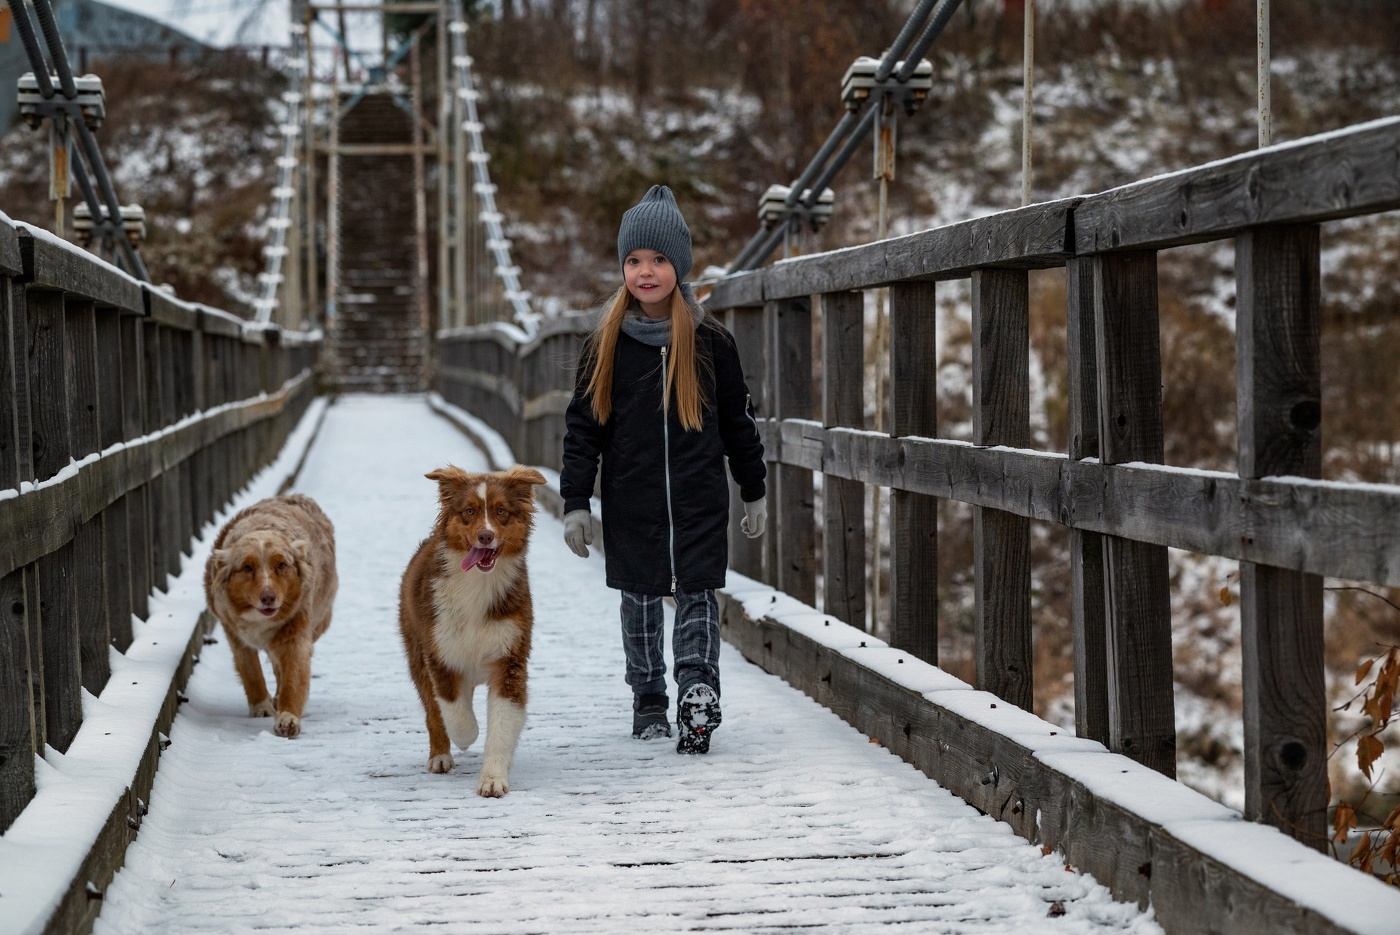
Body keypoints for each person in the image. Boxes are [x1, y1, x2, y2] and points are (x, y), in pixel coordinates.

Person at [560, 184, 766, 755]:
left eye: (658, 260)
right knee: (641, 600)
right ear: (622, 266)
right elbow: (583, 429)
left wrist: (754, 490)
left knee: (698, 594)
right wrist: (576, 502)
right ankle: (649, 698)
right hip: (632, 501)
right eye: (633, 261)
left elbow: (738, 423)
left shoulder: (710, 343)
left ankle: (697, 691)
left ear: (681, 265)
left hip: (700, 502)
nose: (645, 272)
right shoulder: (604, 345)